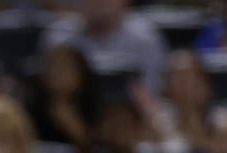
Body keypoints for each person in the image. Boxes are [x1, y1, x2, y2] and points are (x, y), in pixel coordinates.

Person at [40, 0, 169, 93]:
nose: (99, 3)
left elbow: (154, 91)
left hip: (131, 118)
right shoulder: (58, 37)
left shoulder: (145, 39)